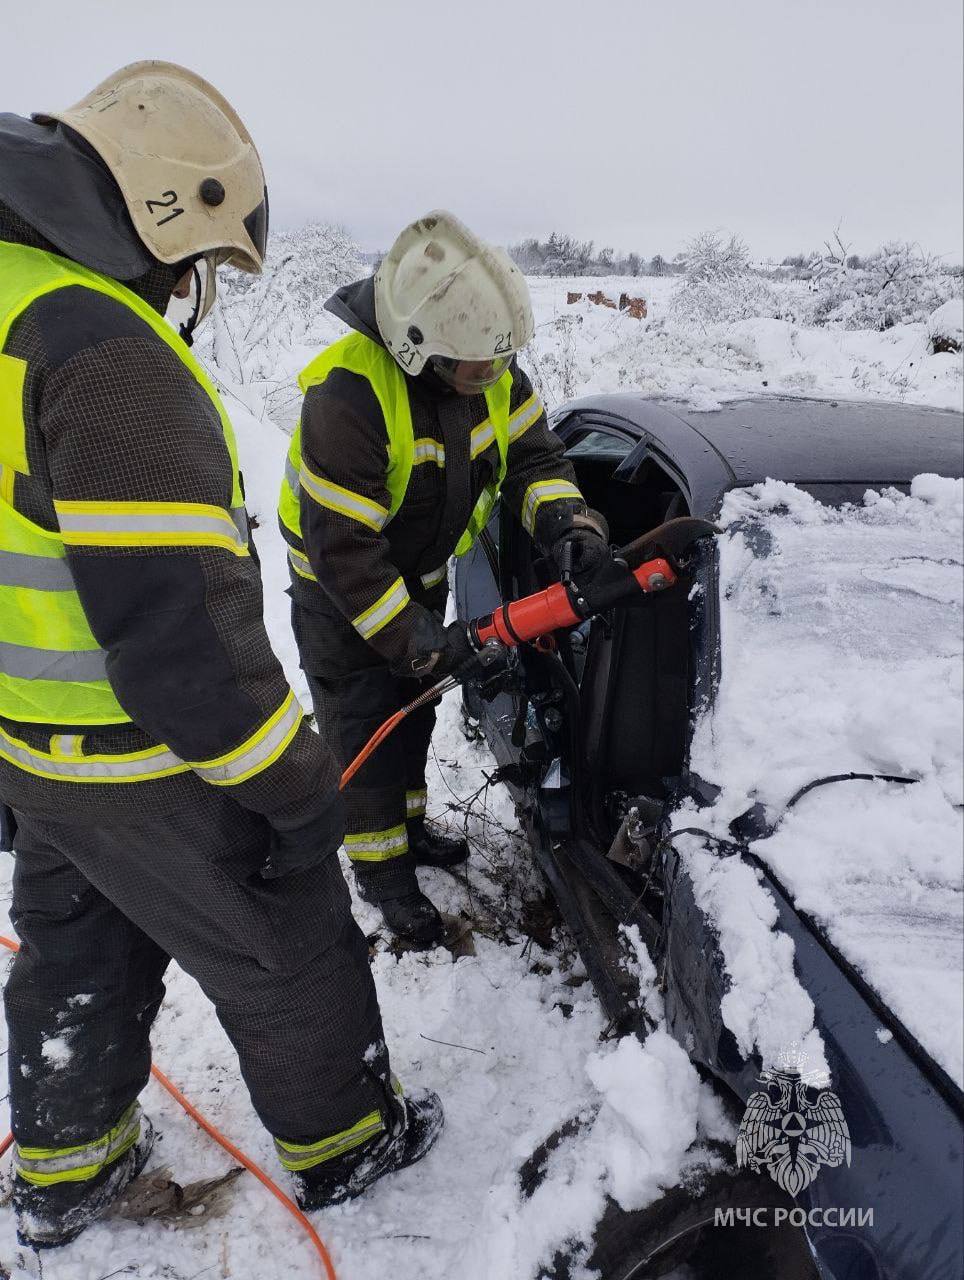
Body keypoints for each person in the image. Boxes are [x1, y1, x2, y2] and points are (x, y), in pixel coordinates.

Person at [0, 62, 440, 1248]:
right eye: (194, 262)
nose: (189, 289)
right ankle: (350, 1142)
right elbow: (184, 643)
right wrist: (295, 794)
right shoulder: (103, 354)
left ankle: (66, 1166)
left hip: (34, 750)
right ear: (157, 214)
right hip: (140, 753)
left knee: (77, 942)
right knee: (289, 935)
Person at [279, 211, 614, 947]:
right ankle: (380, 869)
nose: (493, 377)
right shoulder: (349, 399)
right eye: (476, 366)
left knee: (417, 707)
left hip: (418, 576)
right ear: (417, 348)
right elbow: (346, 552)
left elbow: (535, 461)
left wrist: (570, 524)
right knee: (365, 719)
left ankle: (405, 824)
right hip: (341, 595)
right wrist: (419, 640)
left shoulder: (492, 373)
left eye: (500, 361)